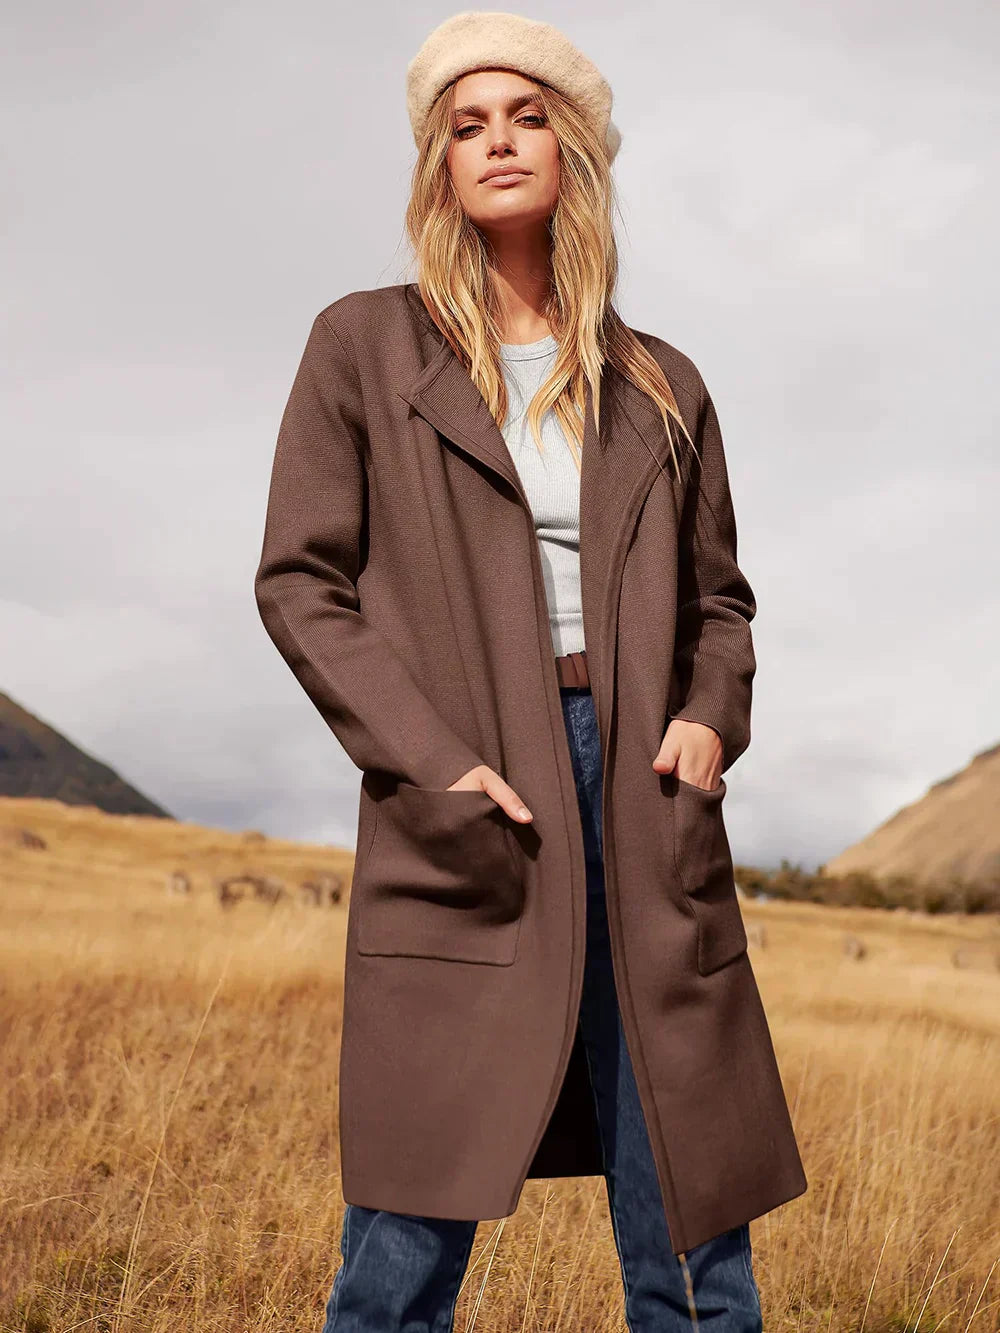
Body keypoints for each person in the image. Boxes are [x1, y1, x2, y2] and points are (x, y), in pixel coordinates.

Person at [254, 11, 808, 1332]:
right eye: (467, 125)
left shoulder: (662, 382)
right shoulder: (365, 347)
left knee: (687, 1190)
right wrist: (431, 760)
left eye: (527, 117)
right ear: (438, 163)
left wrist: (706, 719)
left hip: (644, 781)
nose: (498, 142)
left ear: (576, 150)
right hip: (473, 775)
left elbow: (721, 602)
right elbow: (302, 582)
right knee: (415, 1192)